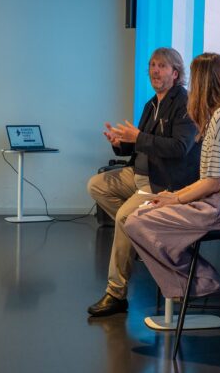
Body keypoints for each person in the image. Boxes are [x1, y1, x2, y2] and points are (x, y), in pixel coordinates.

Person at [125, 53, 220, 300]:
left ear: (203, 82)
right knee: (142, 215)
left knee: (136, 222)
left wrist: (175, 199)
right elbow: (210, 179)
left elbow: (212, 182)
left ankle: (201, 281)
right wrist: (174, 195)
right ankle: (192, 283)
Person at [86, 47, 200, 317]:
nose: (154, 71)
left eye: (162, 66)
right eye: (152, 65)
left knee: (125, 217)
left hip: (162, 182)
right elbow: (140, 145)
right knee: (97, 185)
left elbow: (179, 147)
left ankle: (116, 294)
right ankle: (141, 236)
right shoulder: (151, 104)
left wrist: (138, 137)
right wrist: (120, 143)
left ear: (175, 73)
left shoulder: (184, 103)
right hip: (139, 174)